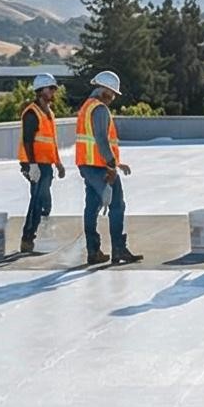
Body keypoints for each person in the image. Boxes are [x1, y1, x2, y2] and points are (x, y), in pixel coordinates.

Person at [75, 69, 139, 265]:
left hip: (87, 164)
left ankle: (93, 251)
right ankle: (118, 249)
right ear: (104, 90)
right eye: (112, 94)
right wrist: (112, 166)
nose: (112, 98)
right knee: (117, 205)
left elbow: (95, 143)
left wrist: (117, 162)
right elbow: (101, 139)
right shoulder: (100, 109)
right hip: (101, 167)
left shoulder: (86, 106)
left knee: (92, 207)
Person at [16, 71, 67, 256]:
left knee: (43, 201)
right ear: (40, 90)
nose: (53, 92)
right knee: (37, 201)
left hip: (46, 164)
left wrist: (58, 163)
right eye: (50, 89)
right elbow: (28, 140)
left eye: (54, 89)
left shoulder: (48, 113)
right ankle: (28, 239)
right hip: (35, 164)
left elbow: (51, 141)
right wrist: (32, 165)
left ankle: (34, 237)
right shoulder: (32, 113)